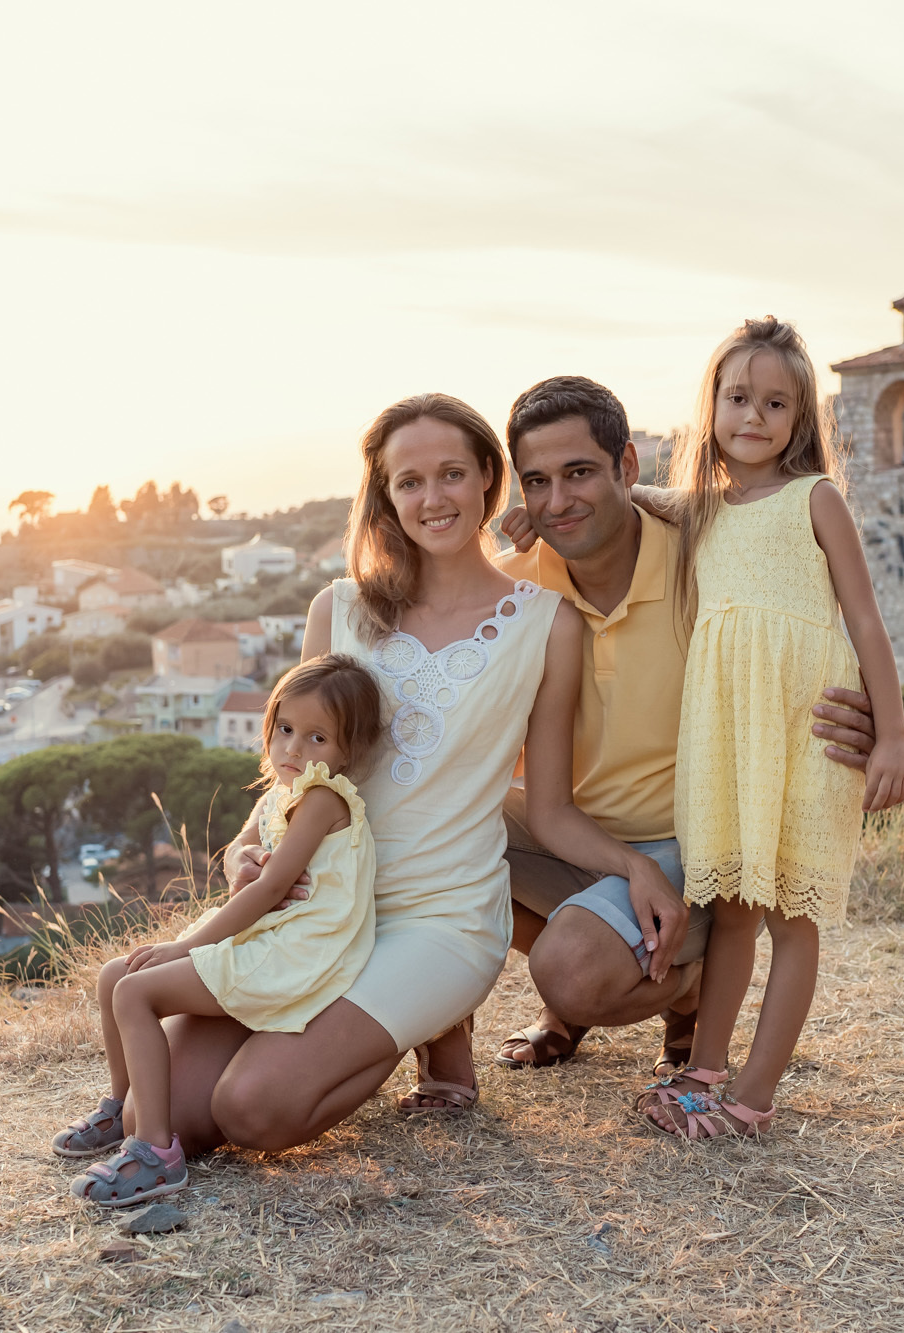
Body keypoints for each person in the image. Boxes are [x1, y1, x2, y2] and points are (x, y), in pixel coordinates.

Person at [100, 392, 676, 1153]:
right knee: (158, 1116)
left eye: (450, 474)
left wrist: (636, 866)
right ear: (385, 494)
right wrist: (246, 845)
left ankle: (425, 1023)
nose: (432, 498)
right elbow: (294, 772)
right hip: (315, 911)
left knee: (253, 1108)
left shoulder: (547, 623)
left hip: (438, 919)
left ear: (487, 481)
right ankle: (391, 1034)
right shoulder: (335, 610)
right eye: (409, 481)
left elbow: (553, 808)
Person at [491, 376, 878, 1074]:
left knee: (572, 969)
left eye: (579, 473)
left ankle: (681, 986)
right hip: (577, 836)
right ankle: (588, 972)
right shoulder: (514, 584)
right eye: (537, 482)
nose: (557, 502)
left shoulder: (708, 557)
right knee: (427, 838)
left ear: (628, 468)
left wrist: (869, 717)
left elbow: (807, 630)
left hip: (695, 845)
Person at [634, 316, 904, 1139]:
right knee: (729, 908)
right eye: (737, 397)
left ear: (801, 418)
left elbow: (865, 620)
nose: (753, 415)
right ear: (711, 405)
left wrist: (891, 734)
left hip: (806, 730)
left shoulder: (815, 499)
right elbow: (636, 501)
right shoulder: (701, 513)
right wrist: (540, 517)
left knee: (793, 916)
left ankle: (754, 1092)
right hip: (726, 735)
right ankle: (704, 1069)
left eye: (775, 402)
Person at [57, 656, 385, 1204]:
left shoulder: (323, 799)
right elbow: (245, 861)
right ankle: (120, 1109)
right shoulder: (284, 795)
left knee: (137, 990)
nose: (293, 749)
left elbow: (269, 890)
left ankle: (156, 1154)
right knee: (116, 975)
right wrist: (239, 861)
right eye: (284, 729)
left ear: (348, 751)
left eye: (316, 737)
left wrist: (186, 946)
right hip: (270, 934)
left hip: (294, 950)